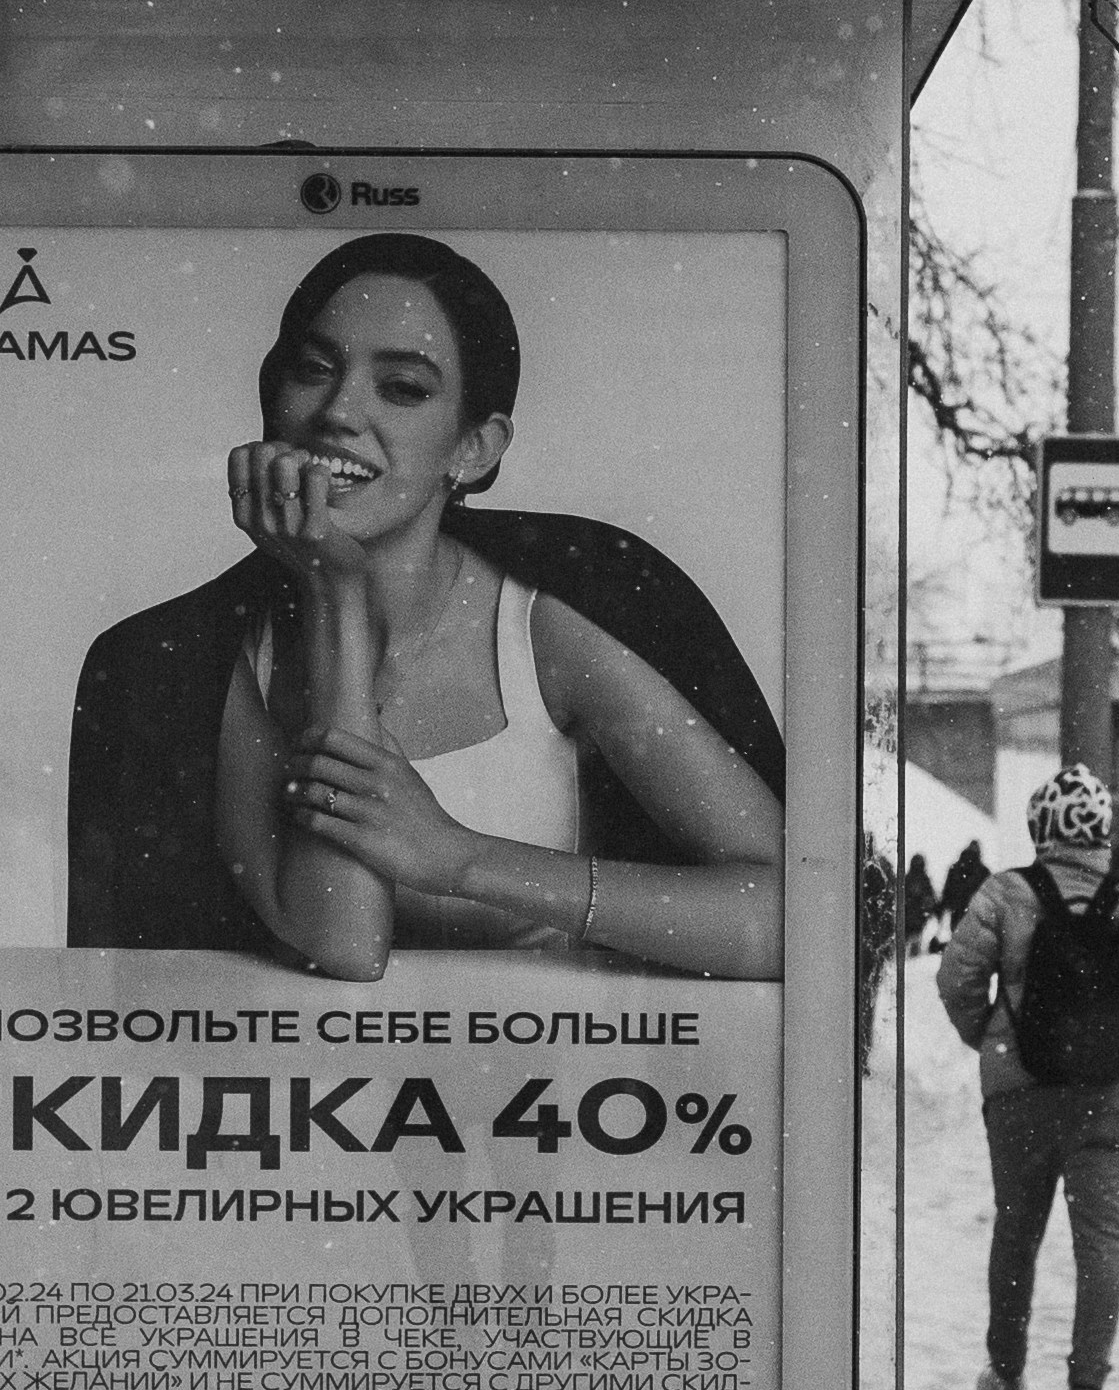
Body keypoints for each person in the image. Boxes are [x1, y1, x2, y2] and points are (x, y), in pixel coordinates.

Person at [65, 232, 785, 978]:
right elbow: (344, 947)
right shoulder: (183, 660)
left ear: (473, 448)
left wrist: (463, 859)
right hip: (300, 1090)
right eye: (314, 371)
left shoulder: (549, 627)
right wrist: (335, 598)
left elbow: (788, 915)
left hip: (554, 1086)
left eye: (403, 387)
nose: (338, 412)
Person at [936, 765, 1119, 1390]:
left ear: (1039, 829)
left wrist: (992, 1042)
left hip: (1020, 1092)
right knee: (1100, 1241)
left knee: (1017, 1230)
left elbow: (956, 977)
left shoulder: (1004, 894)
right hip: (1108, 1096)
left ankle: (1009, 1380)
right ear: (1103, 830)